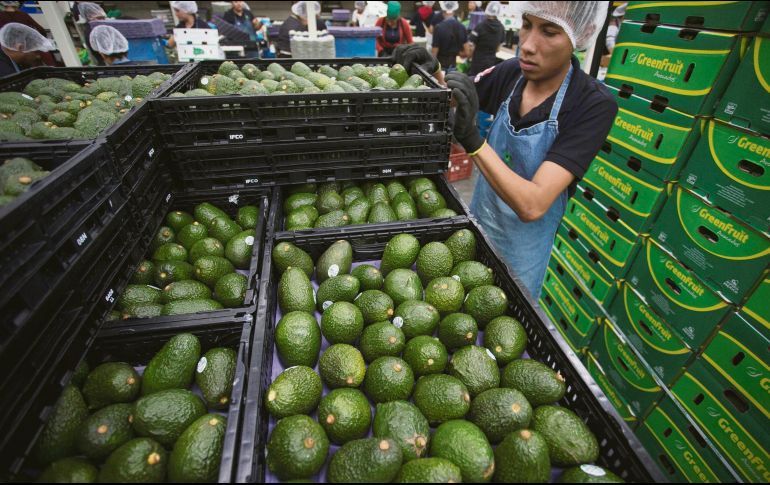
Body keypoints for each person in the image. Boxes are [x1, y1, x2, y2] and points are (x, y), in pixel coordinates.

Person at [445, 1, 617, 297]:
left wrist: (474, 141)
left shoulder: (592, 103)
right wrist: (432, 74)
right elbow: (456, 99)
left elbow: (533, 204)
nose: (527, 45)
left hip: (521, 256)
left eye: (549, 32)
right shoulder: (512, 73)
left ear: (583, 33)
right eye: (527, 25)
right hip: (476, 231)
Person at [467, 1, 505, 76]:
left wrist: (469, 57)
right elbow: (498, 49)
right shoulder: (501, 28)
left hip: (477, 63)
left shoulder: (480, 26)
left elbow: (471, 46)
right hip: (490, 64)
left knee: (474, 84)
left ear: (487, 10)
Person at [431, 1, 469, 71]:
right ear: (454, 11)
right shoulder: (462, 27)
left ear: (443, 11)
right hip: (453, 67)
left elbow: (434, 53)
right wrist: (457, 53)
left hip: (440, 67)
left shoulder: (439, 28)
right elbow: (467, 52)